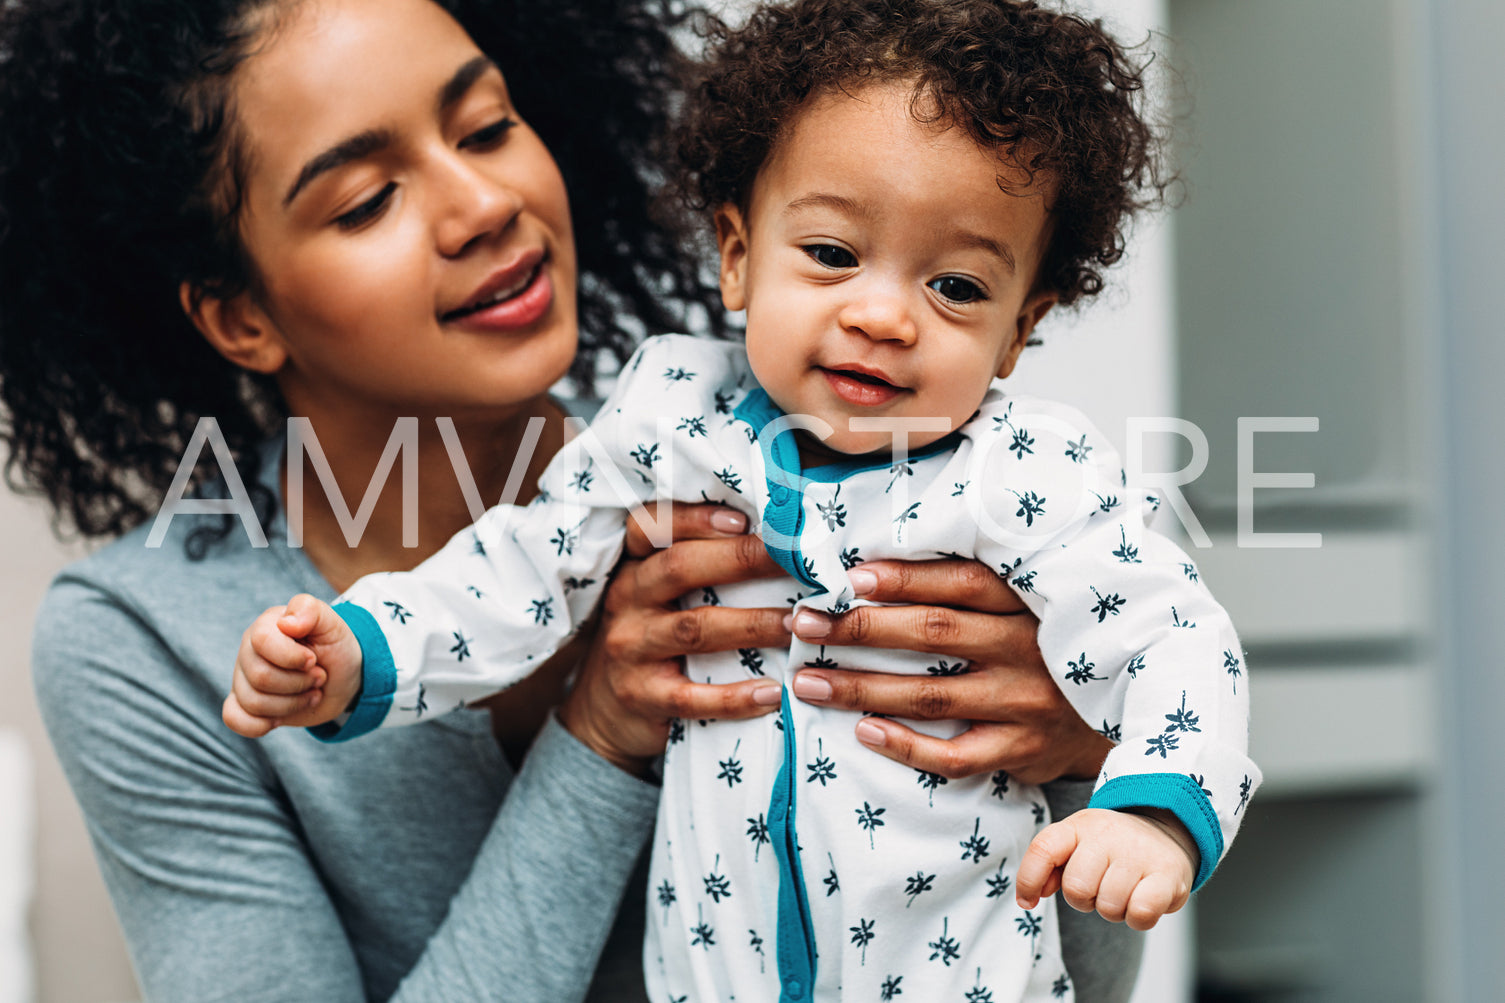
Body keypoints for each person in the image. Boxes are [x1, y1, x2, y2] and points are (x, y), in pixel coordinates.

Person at [0, 0, 1142, 1000]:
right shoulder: (142, 642)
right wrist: (598, 736)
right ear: (239, 314)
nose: (483, 203)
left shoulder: (758, 456)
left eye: (487, 125)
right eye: (362, 202)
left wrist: (1073, 762)